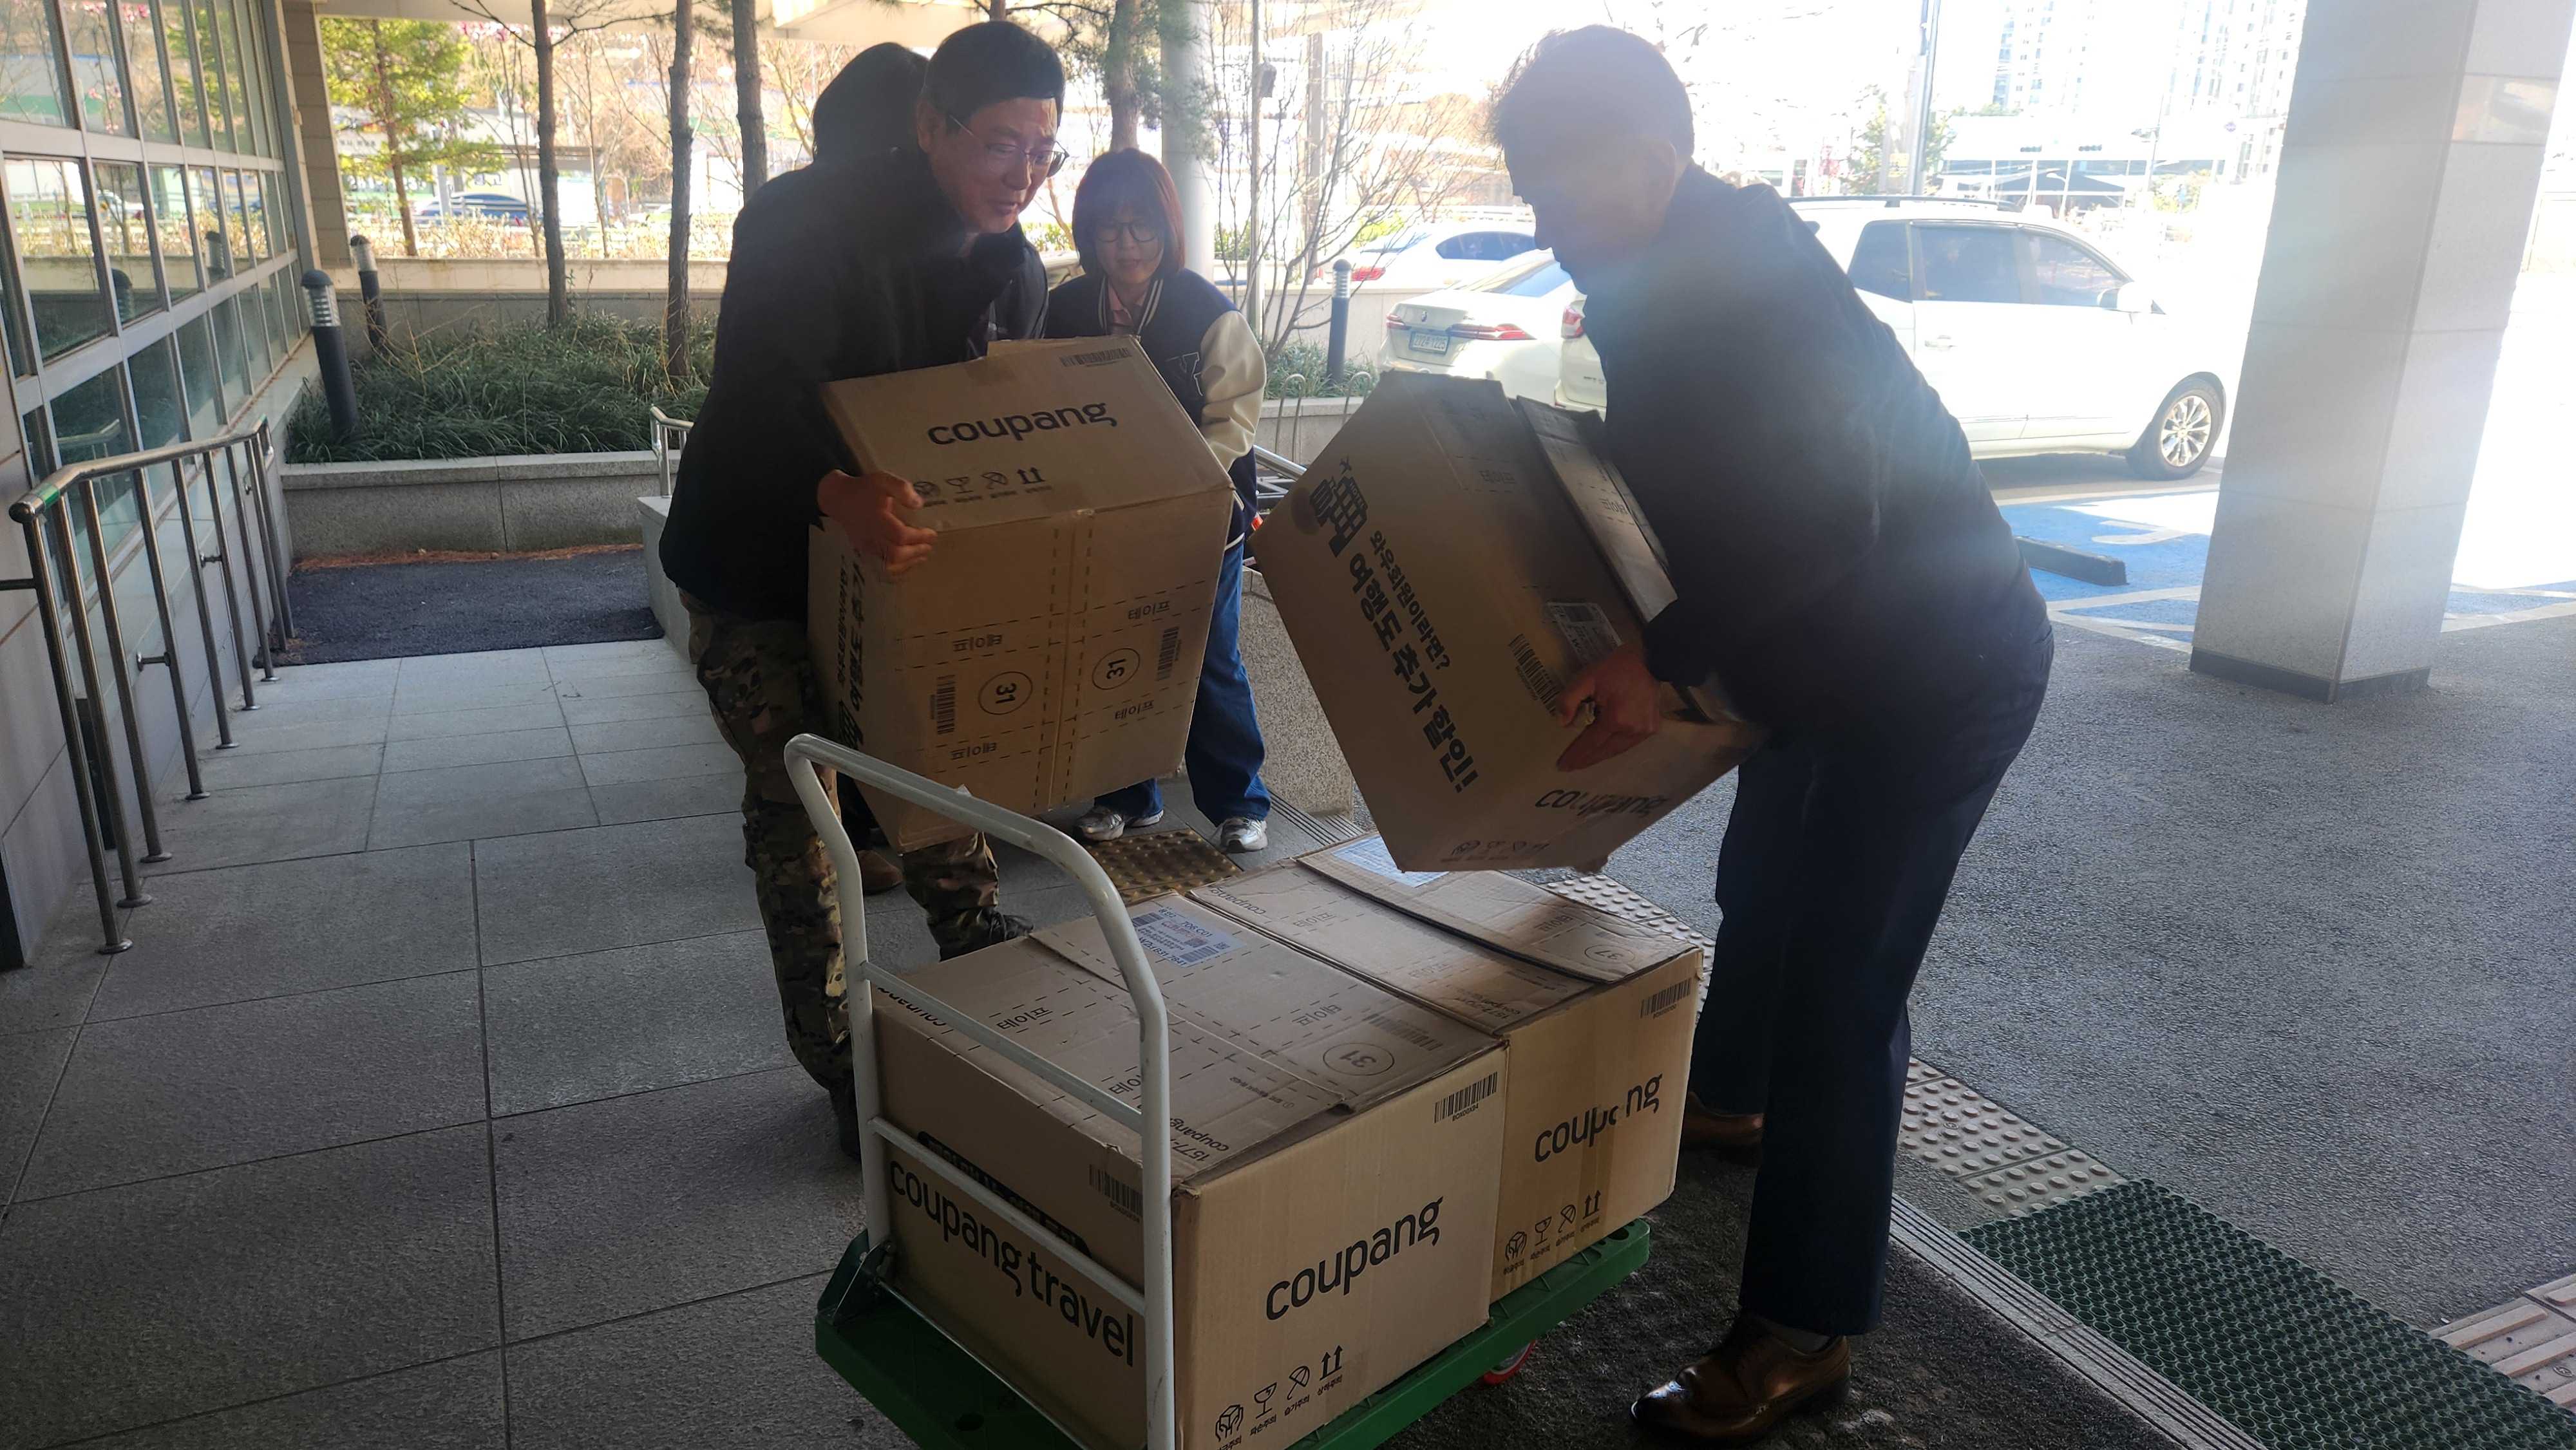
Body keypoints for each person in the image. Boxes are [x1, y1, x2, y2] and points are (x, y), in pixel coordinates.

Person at [1492, 28, 2054, 1444]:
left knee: (1839, 999)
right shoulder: (1652, 273)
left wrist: (1658, 660)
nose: (1544, 226)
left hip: (1934, 678)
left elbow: (1818, 521)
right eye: (1532, 196)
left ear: (1654, 161)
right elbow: (1704, 481)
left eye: (1561, 193)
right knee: (1760, 891)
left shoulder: (1752, 290)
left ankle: (1804, 1329)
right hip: (1816, 661)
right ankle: (1734, 1102)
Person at [658, 21, 1068, 1158]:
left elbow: (1000, 421)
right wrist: (832, 484)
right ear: (932, 127)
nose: (1024, 175)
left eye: (1045, 151)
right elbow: (755, 392)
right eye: (1002, 145)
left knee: (932, 752)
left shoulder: (1014, 264)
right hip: (758, 559)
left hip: (893, 557)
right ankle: (840, 1049)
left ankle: (974, 929)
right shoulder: (802, 221)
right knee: (802, 802)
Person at [1043, 149, 1273, 852]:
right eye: (1109, 228)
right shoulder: (1065, 309)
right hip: (1105, 519)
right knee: (1112, 654)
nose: (1127, 245)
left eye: (1141, 226)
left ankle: (1239, 802)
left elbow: (1233, 420)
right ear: (1088, 233)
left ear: (1167, 228)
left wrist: (1171, 482)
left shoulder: (1207, 311)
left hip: (1201, 518)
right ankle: (1125, 794)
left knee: (1209, 656)